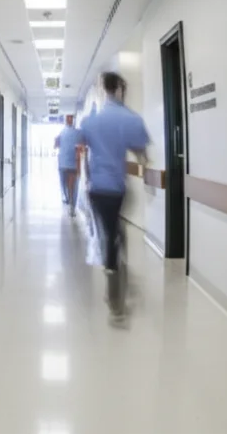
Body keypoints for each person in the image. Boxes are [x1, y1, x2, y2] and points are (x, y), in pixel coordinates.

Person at [78, 72, 149, 326]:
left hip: (97, 189)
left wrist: (87, 177)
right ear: (118, 88)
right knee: (112, 235)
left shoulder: (90, 121)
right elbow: (141, 154)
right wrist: (143, 162)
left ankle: (116, 280)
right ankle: (115, 299)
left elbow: (83, 149)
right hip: (117, 189)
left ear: (102, 90)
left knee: (112, 232)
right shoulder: (130, 119)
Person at [54, 115, 80, 216]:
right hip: (72, 163)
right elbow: (82, 145)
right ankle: (71, 205)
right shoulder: (77, 133)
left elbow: (56, 145)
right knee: (71, 185)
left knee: (66, 184)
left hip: (65, 163)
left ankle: (69, 201)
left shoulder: (62, 133)